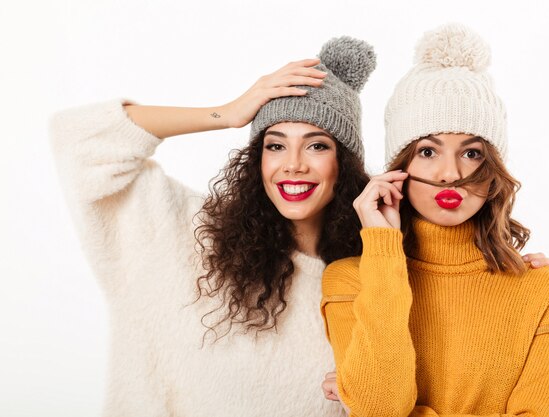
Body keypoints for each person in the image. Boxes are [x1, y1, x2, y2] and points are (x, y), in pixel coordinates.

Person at [50, 37, 375, 417]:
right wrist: (229, 113)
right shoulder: (187, 236)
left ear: (345, 164)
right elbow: (78, 140)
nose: (293, 164)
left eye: (317, 146)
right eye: (275, 145)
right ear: (257, 159)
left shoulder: (366, 282)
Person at [320, 24, 549, 417]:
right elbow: (380, 408)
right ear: (399, 166)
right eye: (428, 151)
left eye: (473, 153)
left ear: (494, 168)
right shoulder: (351, 279)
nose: (450, 174)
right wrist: (383, 251)